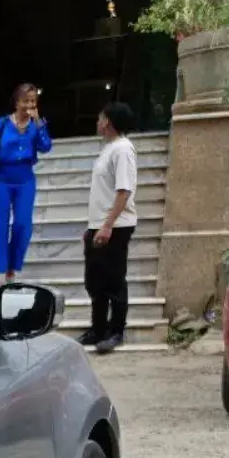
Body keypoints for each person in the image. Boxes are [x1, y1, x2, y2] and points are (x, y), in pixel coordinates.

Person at [0, 83, 53, 292]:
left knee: (22, 224)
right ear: (17, 102)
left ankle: (12, 265)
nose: (30, 105)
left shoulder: (36, 125)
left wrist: (39, 124)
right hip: (1, 178)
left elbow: (46, 147)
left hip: (25, 179)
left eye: (33, 101)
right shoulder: (1, 124)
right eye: (26, 101)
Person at [82, 102, 139, 354]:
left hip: (116, 226)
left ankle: (116, 331)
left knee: (114, 280)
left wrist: (107, 225)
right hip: (99, 225)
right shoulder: (109, 149)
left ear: (107, 121)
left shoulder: (123, 149)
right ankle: (97, 329)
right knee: (95, 281)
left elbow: (124, 191)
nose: (97, 122)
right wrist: (92, 227)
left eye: (100, 118)